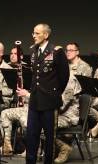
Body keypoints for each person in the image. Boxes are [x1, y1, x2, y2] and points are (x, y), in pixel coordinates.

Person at [26, 23, 69, 164]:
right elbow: (34, 75)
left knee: (50, 137)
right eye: (33, 33)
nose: (34, 36)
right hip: (35, 100)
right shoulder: (32, 50)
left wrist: (54, 93)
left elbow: (64, 76)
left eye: (37, 33)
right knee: (31, 135)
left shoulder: (56, 51)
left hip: (49, 101)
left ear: (46, 35)